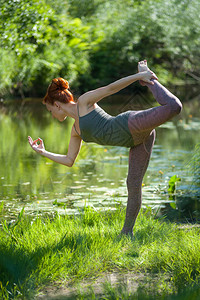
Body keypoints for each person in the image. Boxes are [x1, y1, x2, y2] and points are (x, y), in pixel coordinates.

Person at [28, 60, 182, 235]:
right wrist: (43, 152)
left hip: (128, 125)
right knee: (133, 184)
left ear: (56, 104)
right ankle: (126, 233)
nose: (52, 115)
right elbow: (69, 160)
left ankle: (148, 78)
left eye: (50, 111)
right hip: (135, 141)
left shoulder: (84, 102)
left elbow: (110, 89)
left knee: (174, 107)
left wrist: (140, 76)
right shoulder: (75, 131)